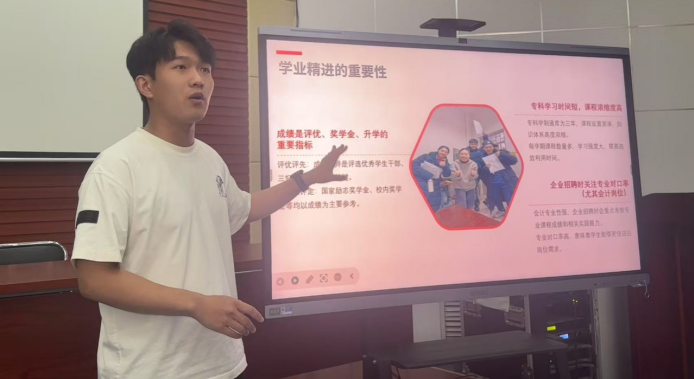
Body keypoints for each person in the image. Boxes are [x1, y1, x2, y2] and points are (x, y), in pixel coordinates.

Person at [71, 20, 348, 379]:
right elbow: (95, 280)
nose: (198, 79)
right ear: (146, 85)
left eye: (205, 69)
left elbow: (245, 208)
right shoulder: (116, 168)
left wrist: (306, 179)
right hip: (152, 369)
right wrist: (196, 304)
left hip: (222, 363)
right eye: (181, 67)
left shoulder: (209, 158)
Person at [478, 141, 519, 219]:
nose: (488, 149)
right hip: (493, 182)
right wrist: (486, 168)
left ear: (493, 147)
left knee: (509, 198)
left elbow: (514, 160)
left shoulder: (502, 152)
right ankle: (501, 210)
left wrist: (501, 154)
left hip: (506, 181)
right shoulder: (482, 158)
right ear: (484, 148)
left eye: (490, 146)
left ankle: (512, 211)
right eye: (486, 147)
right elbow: (481, 173)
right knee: (496, 198)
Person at [411, 145, 452, 213]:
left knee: (434, 206)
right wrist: (429, 175)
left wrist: (444, 167)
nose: (443, 152)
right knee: (420, 205)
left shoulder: (446, 162)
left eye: (446, 152)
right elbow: (413, 165)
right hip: (421, 182)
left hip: (435, 186)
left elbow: (447, 174)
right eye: (442, 150)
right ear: (438, 150)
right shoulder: (426, 156)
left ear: (447, 154)